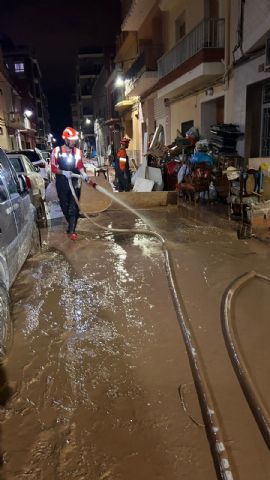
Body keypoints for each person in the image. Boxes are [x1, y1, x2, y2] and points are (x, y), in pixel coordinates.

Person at [50, 127, 90, 241]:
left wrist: (83, 173)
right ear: (66, 140)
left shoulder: (77, 151)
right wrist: (63, 172)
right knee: (65, 206)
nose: (74, 141)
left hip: (74, 181)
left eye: (74, 139)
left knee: (74, 207)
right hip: (62, 182)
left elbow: (79, 165)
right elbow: (53, 168)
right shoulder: (56, 151)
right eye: (72, 139)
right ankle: (70, 226)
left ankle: (72, 230)